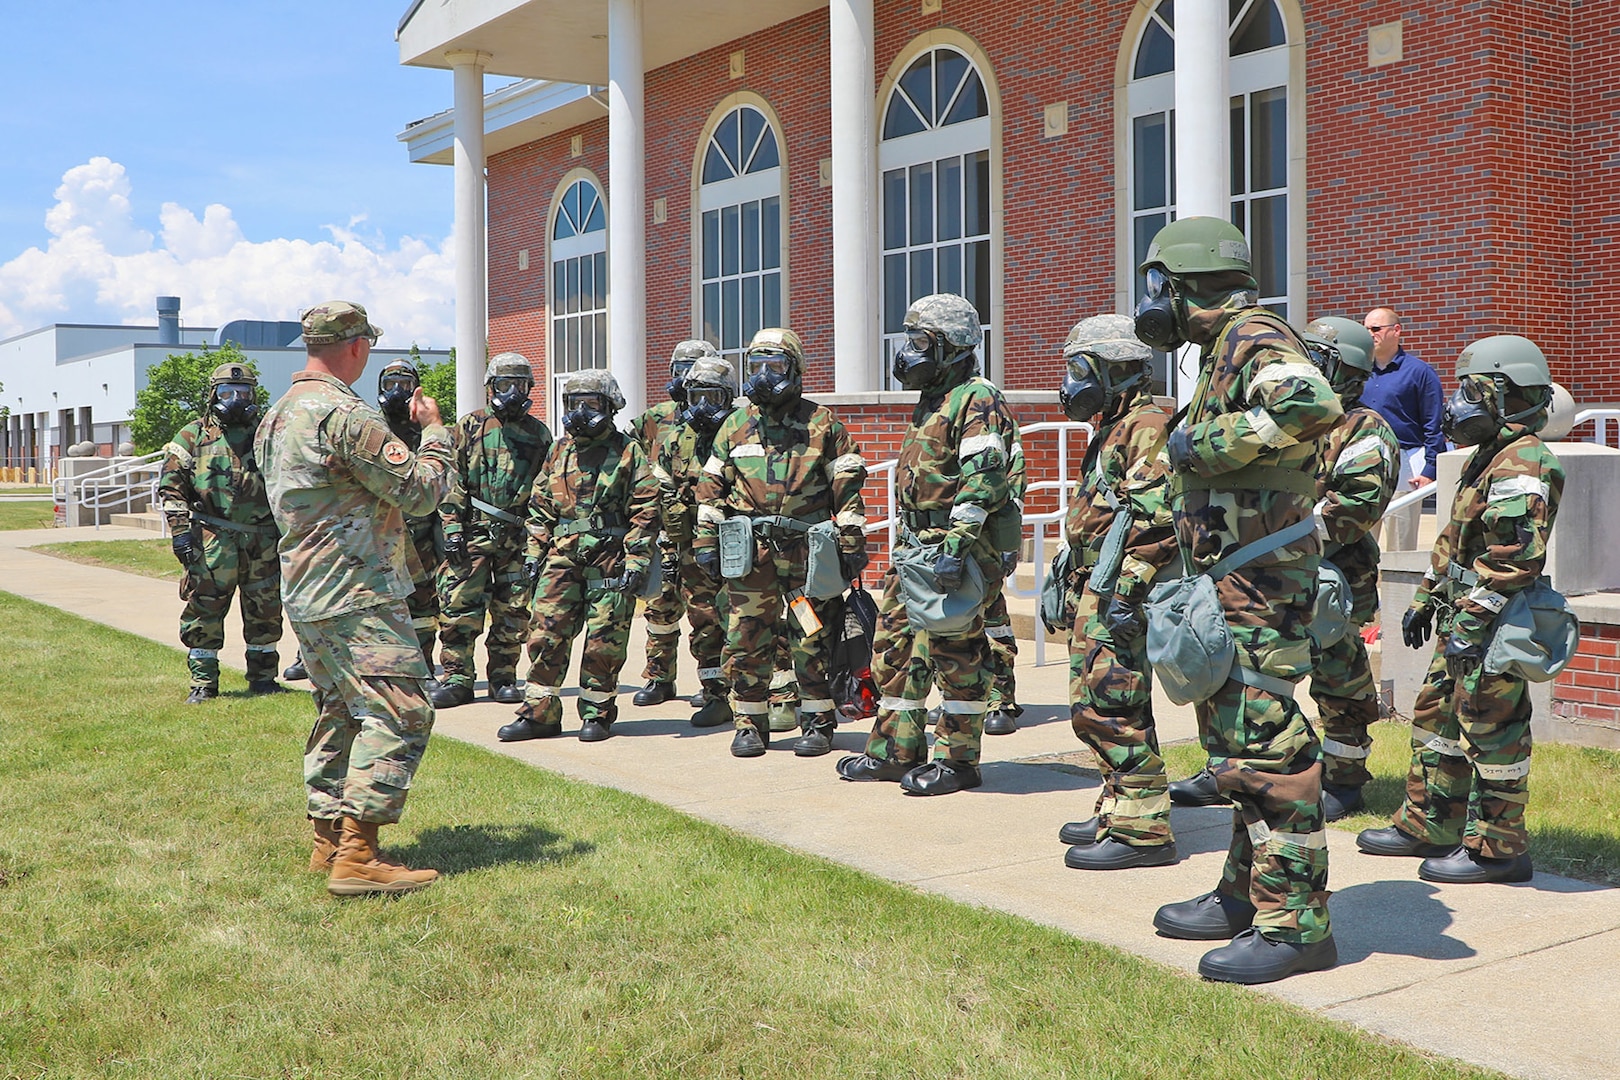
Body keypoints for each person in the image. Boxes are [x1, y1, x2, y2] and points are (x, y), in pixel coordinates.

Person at [1135, 217, 1342, 983]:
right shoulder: (1225, 347)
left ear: (1184, 285)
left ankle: (1297, 926)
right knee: (1236, 744)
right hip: (1240, 579)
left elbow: (1311, 404)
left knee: (1266, 742)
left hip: (1261, 580)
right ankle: (1248, 894)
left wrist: (1205, 444)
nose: (1152, 301)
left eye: (1159, 285)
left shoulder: (1253, 333)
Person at [255, 300, 452, 896]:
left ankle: (327, 841)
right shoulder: (343, 414)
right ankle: (359, 855)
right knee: (401, 708)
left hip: (308, 589)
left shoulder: (277, 415)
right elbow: (420, 493)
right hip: (356, 589)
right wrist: (436, 432)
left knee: (341, 709)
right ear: (358, 347)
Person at [1357, 335, 1563, 884]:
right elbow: (1454, 539)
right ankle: (1431, 823)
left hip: (1492, 622)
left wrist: (1471, 622)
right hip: (1461, 615)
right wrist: (1427, 597)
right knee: (1435, 720)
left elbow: (1514, 557)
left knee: (1492, 730)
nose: (1458, 404)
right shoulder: (1488, 455)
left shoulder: (1523, 463)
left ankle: (1499, 850)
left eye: (1474, 390)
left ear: (1510, 395)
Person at [835, 294, 1017, 795]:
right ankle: (895, 752)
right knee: (894, 649)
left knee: (956, 653)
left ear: (953, 346)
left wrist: (955, 549)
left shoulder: (977, 398)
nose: (908, 351)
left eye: (921, 341)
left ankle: (958, 761)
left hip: (954, 546)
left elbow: (984, 482)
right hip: (915, 544)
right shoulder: (933, 398)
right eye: (909, 338)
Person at [692, 327, 868, 759]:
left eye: (776, 365)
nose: (765, 375)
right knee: (746, 638)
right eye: (757, 366)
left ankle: (818, 721)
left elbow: (848, 490)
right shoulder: (734, 424)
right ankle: (750, 723)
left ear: (796, 370)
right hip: (750, 557)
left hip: (807, 557)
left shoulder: (822, 423)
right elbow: (710, 488)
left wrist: (851, 543)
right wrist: (704, 543)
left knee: (810, 636)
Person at [1050, 314, 1179, 870]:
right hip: (1096, 588)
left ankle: (1143, 832)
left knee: (1110, 706)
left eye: (1081, 369)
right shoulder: (1117, 424)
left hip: (1120, 593)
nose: (1071, 383)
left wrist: (1126, 594)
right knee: (1099, 703)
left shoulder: (1148, 424)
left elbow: (1157, 520)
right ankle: (1119, 805)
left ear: (1118, 371)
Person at [498, 370, 658, 743]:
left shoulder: (628, 451)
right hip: (562, 557)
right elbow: (540, 505)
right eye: (574, 404)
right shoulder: (559, 449)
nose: (581, 413)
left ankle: (597, 713)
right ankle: (540, 714)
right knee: (544, 634)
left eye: (591, 404)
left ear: (610, 406)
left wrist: (636, 560)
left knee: (605, 639)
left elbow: (646, 509)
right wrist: (534, 552)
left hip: (610, 557)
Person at [1300, 317, 1399, 821]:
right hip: (1274, 575)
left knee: (1338, 680)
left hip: (1332, 579)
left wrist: (1282, 531)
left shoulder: (1364, 430)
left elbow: (1356, 508)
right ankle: (1240, 765)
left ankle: (1345, 778)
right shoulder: (1293, 421)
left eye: (1318, 357)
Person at [429, 353, 554, 708]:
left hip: (517, 537)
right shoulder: (469, 426)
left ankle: (503, 678)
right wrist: (452, 527)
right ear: (490, 388)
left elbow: (545, 489)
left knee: (512, 612)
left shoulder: (538, 433)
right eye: (504, 385)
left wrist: (538, 541)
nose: (512, 392)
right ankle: (457, 678)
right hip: (472, 535)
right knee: (458, 610)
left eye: (520, 385)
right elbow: (451, 481)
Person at [158, 361, 285, 702]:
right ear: (213, 395)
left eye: (242, 392)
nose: (235, 399)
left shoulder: (267, 434)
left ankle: (263, 678)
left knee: (266, 609)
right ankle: (203, 683)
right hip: (212, 539)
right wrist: (180, 532)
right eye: (227, 392)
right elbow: (171, 487)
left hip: (263, 540)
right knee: (204, 610)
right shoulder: (193, 435)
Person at [653, 353, 738, 728]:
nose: (703, 408)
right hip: (692, 550)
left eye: (713, 398)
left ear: (730, 397)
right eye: (696, 397)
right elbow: (661, 493)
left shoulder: (743, 433)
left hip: (739, 547)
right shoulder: (674, 441)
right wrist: (668, 543)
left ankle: (769, 695)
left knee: (749, 621)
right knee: (704, 620)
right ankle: (715, 693)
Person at [632, 339, 718, 707]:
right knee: (659, 607)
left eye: (694, 369)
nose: (686, 378)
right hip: (663, 529)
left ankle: (713, 683)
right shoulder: (655, 417)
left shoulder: (727, 417)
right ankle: (659, 677)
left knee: (708, 611)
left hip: (706, 532)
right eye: (680, 369)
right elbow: (629, 457)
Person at [377, 359, 447, 667]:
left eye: (404, 385)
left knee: (422, 604)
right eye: (390, 384)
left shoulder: (428, 430)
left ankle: (424, 663)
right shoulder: (370, 425)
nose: (396, 391)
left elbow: (444, 480)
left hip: (421, 535)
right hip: (380, 534)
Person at [1359, 308, 1445, 551]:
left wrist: (1430, 469)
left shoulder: (1420, 372)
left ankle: (1398, 590)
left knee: (1400, 549)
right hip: (1363, 467)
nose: (1369, 334)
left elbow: (1433, 425)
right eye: (1365, 329)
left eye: (1375, 329)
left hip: (1404, 466)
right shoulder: (1358, 371)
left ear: (1396, 331)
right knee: (1358, 546)